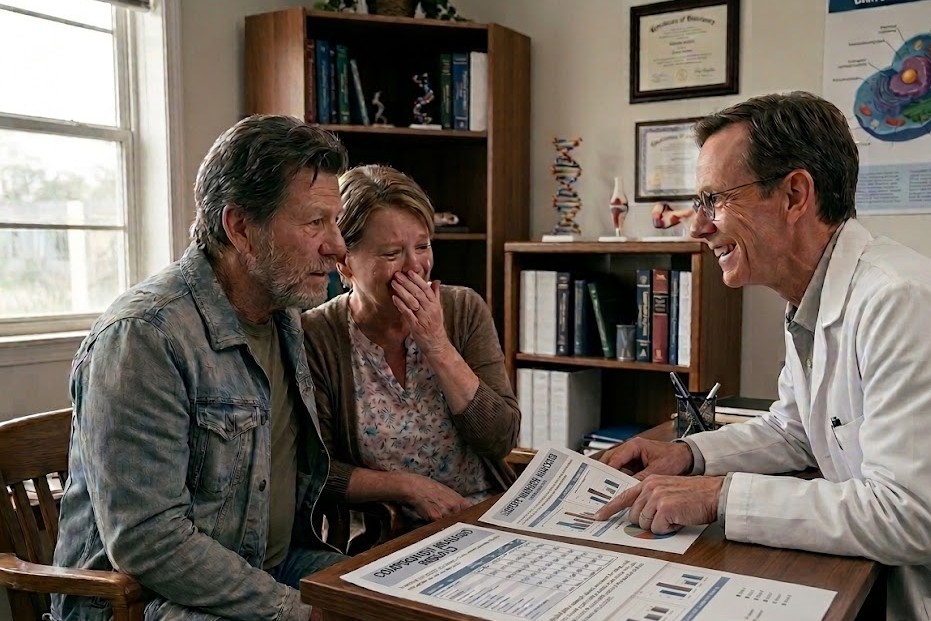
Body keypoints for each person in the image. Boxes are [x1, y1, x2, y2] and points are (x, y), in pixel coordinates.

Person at [593, 91, 931, 621]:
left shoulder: (898, 300)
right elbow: (794, 430)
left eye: (714, 200)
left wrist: (718, 497)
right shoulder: (811, 295)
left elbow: (908, 514)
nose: (696, 227)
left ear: (795, 194)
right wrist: (689, 455)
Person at [52, 115, 350, 621]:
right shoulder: (143, 336)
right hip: (145, 600)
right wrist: (292, 610)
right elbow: (148, 541)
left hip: (270, 566)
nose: (338, 246)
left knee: (398, 600)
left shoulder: (283, 312)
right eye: (314, 223)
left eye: (335, 221)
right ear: (240, 228)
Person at [301, 164, 520, 527]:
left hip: (483, 514)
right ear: (345, 261)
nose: (415, 266)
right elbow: (316, 470)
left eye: (423, 246)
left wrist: (438, 345)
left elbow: (501, 439)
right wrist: (406, 487)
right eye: (392, 254)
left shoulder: (464, 309)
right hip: (387, 533)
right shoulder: (317, 335)